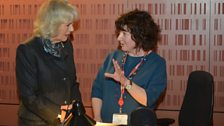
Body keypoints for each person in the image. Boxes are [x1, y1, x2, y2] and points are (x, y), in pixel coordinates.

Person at [91, 9, 167, 124]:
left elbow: (148, 99)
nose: (119, 38)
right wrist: (97, 118)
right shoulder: (113, 57)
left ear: (139, 35)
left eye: (124, 34)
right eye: (119, 33)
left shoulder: (157, 64)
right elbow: (97, 90)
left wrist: (125, 82)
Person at [16, 0, 82, 125]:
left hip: (65, 120)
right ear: (53, 24)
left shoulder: (66, 45)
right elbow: (29, 97)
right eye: (68, 25)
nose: (72, 29)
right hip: (37, 121)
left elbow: (72, 83)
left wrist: (77, 111)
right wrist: (59, 116)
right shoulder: (28, 50)